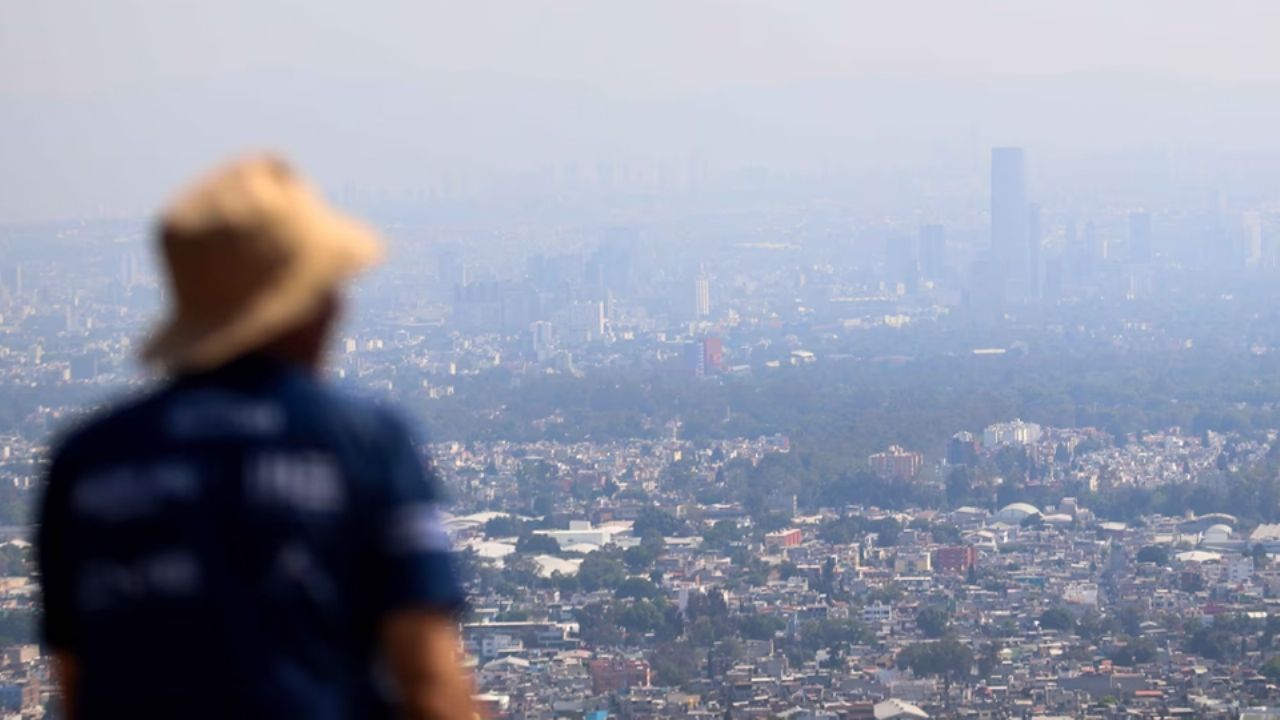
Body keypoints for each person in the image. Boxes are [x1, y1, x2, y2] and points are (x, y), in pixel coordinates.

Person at [36, 156, 477, 720]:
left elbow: (78, 685)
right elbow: (430, 682)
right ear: (303, 308)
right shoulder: (362, 445)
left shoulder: (88, 462)